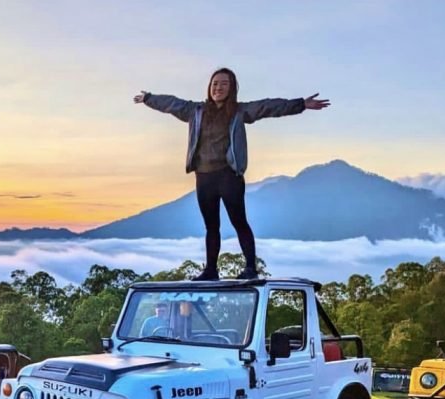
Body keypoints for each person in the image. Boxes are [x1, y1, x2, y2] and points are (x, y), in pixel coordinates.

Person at [135, 68, 330, 280]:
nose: (218, 88)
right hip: (204, 177)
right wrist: (149, 98)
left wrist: (301, 104)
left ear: (232, 88)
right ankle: (210, 270)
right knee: (211, 226)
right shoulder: (195, 111)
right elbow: (171, 103)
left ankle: (250, 269)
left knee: (239, 221)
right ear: (209, 87)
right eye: (215, 84)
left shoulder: (239, 111)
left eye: (224, 84)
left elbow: (268, 106)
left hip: (229, 176)